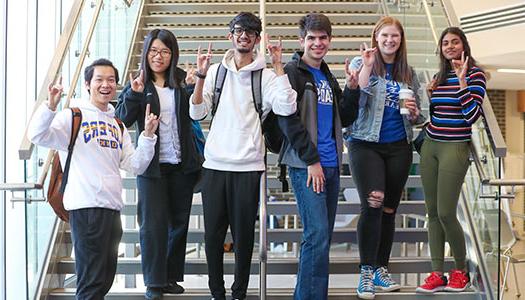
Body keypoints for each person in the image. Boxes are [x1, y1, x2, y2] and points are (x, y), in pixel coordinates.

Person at [27, 58, 158, 300]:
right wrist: (50, 106)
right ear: (88, 84)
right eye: (99, 79)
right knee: (90, 283)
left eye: (111, 80)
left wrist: (148, 136)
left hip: (111, 208)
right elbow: (37, 135)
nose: (105, 85)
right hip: (86, 208)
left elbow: (136, 165)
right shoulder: (73, 116)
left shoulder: (117, 124)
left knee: (104, 280)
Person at [189, 12, 297, 300]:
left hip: (249, 167)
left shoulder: (266, 75)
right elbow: (197, 113)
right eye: (239, 30)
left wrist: (278, 66)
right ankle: (216, 293)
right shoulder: (215, 72)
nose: (244, 35)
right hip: (214, 166)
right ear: (230, 35)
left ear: (258, 39)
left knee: (244, 238)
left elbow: (287, 107)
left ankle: (239, 294)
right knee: (212, 237)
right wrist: (200, 78)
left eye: (251, 31)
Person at [115, 29, 202, 299]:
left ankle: (169, 277)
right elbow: (121, 119)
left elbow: (194, 115)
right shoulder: (139, 83)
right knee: (153, 225)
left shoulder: (179, 80)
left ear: (172, 54)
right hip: (151, 166)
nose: (158, 56)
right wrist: (133, 95)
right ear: (146, 54)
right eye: (153, 51)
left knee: (178, 222)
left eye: (164, 51)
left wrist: (192, 87)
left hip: (180, 163)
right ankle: (154, 282)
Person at [277, 13, 360, 300]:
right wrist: (312, 161)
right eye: (311, 38)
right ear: (302, 41)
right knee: (317, 234)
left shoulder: (326, 75)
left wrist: (351, 87)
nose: (317, 43)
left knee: (321, 238)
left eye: (322, 38)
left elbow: (345, 117)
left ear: (329, 41)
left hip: (331, 164)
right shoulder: (292, 72)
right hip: (307, 165)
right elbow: (288, 122)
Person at [346, 16, 423, 299]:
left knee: (389, 208)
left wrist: (415, 113)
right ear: (376, 37)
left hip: (399, 146)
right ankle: (366, 272)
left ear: (401, 41)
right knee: (373, 200)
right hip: (365, 143)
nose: (390, 40)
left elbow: (419, 114)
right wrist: (367, 64)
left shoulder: (408, 72)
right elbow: (360, 91)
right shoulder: (360, 62)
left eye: (395, 36)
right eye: (385, 36)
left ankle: (381, 268)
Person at [416, 27, 486, 294]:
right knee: (432, 213)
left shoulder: (476, 75)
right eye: (445, 43)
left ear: (463, 45)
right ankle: (436, 273)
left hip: (455, 148)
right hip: (431, 145)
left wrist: (462, 82)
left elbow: (470, 116)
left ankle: (461, 271)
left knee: (446, 212)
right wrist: (430, 94)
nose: (450, 47)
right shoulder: (439, 76)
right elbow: (437, 114)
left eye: (455, 42)